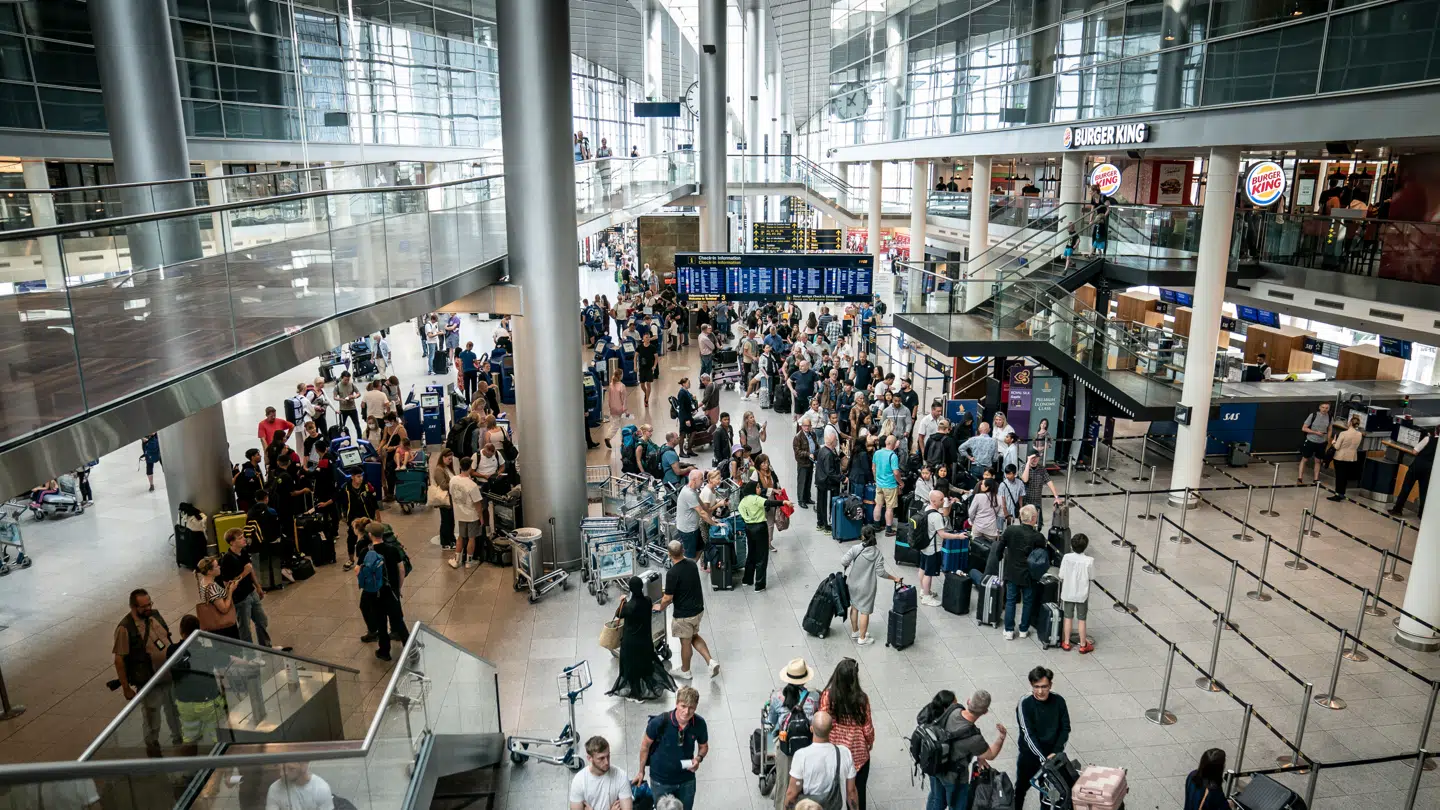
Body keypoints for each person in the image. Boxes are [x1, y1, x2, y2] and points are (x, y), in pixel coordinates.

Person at [113, 588, 183, 751]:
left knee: (174, 711)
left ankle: (179, 741)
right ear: (133, 607)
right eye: (143, 606)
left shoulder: (154, 615)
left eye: (149, 604)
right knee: (152, 718)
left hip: (168, 675)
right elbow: (119, 660)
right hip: (149, 681)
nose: (148, 608)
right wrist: (126, 688)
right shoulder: (125, 628)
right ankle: (152, 747)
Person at [919, 690, 1007, 810]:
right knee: (957, 805)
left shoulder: (953, 709)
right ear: (985, 712)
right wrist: (1001, 737)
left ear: (968, 701)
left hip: (935, 765)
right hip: (954, 778)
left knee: (936, 799)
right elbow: (991, 754)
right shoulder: (975, 738)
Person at [634, 686, 709, 810]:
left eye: (691, 708)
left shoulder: (699, 723)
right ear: (677, 704)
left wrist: (698, 758)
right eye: (683, 706)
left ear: (696, 707)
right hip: (661, 780)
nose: (686, 711)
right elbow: (645, 746)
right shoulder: (659, 722)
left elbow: (704, 746)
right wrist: (641, 771)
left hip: (686, 779)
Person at [654, 541, 719, 679]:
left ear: (669, 554)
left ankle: (685, 671)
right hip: (698, 609)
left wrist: (660, 607)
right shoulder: (692, 564)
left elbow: (668, 598)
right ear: (683, 550)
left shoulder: (672, 573)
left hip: (684, 615)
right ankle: (711, 662)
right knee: (694, 636)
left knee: (685, 642)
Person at [608, 576, 677, 702]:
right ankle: (642, 689)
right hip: (645, 641)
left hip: (630, 642)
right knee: (643, 665)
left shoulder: (628, 606)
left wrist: (622, 601)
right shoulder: (648, 601)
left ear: (630, 589)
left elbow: (618, 614)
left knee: (630, 667)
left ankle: (636, 694)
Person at [983, 504, 1047, 640]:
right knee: (1027, 601)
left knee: (1010, 600)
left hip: (1012, 572)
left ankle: (1009, 630)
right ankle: (1024, 629)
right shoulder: (1038, 537)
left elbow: (1000, 547)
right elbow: (1042, 556)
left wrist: (999, 557)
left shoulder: (1010, 530)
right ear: (1033, 518)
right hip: (1029, 575)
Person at [819, 658, 875, 810]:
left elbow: (822, 721)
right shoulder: (862, 699)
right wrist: (869, 742)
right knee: (858, 791)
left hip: (834, 753)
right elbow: (867, 728)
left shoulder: (827, 696)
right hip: (858, 756)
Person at [1013, 666, 1071, 810]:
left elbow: (1065, 728)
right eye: (1036, 687)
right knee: (1020, 789)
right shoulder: (1025, 703)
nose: (1040, 691)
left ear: (1050, 685)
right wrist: (1043, 758)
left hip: (1052, 757)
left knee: (1048, 796)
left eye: (1044, 686)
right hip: (1030, 757)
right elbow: (1028, 734)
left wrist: (1056, 752)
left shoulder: (1059, 701)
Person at [768, 659, 821, 810]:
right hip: (808, 748)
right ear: (805, 678)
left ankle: (781, 804)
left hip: (786, 748)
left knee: (784, 782)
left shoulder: (776, 697)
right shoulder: (814, 697)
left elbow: (771, 721)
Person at [841, 526, 903, 645]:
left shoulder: (855, 548)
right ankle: (862, 638)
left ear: (862, 536)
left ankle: (855, 631)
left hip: (852, 583)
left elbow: (844, 561)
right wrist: (894, 578)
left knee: (854, 607)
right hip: (867, 587)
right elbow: (881, 573)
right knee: (865, 611)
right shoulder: (877, 553)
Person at [785, 711, 859, 810]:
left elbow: (792, 793)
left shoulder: (801, 755)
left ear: (811, 729)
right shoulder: (845, 753)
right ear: (832, 729)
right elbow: (851, 792)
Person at [358, 520, 409, 661]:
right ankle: (410, 649)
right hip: (391, 591)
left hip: (375, 593)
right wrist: (398, 588)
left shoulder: (365, 552)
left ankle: (384, 651)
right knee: (398, 621)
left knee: (381, 622)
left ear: (370, 535)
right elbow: (401, 570)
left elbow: (358, 571)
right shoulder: (392, 549)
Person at [219, 529, 279, 649]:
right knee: (245, 628)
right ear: (232, 542)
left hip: (251, 592)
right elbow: (228, 584)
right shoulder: (227, 560)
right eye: (240, 538)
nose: (244, 539)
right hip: (240, 598)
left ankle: (266, 646)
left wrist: (258, 586)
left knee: (262, 620)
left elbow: (251, 570)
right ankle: (249, 653)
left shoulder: (244, 552)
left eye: (243, 536)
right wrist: (244, 573)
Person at [919, 490, 968, 607]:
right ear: (934, 501)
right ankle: (926, 597)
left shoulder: (926, 508)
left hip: (924, 545)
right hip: (933, 548)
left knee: (922, 569)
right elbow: (943, 534)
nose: (943, 501)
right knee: (929, 573)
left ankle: (923, 590)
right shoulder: (936, 516)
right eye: (941, 500)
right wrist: (958, 536)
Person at [738, 482, 790, 590]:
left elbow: (741, 513)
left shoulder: (743, 501)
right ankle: (759, 585)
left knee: (751, 554)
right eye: (757, 487)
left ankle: (747, 580)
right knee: (762, 556)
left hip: (749, 528)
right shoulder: (756, 499)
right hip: (760, 528)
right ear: (752, 489)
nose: (759, 489)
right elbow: (769, 502)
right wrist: (783, 502)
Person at [571, 736, 634, 810]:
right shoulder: (579, 781)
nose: (607, 762)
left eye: (608, 756)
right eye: (601, 758)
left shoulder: (621, 776)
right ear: (589, 758)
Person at [1058, 533, 1095, 653]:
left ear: (1071, 545)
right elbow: (1092, 577)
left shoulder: (1066, 557)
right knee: (1082, 619)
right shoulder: (1089, 561)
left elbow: (1061, 575)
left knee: (1068, 617)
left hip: (1068, 592)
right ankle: (1083, 645)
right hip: (1082, 594)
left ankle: (1066, 642)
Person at [675, 469, 720, 562]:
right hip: (688, 531)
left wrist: (712, 518)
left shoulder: (694, 491)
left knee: (700, 547)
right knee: (689, 555)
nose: (703, 481)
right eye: (701, 479)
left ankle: (693, 566)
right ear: (694, 480)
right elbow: (702, 513)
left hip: (694, 528)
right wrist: (714, 524)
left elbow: (703, 506)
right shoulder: (689, 494)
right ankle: (686, 568)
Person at [449, 456, 485, 569]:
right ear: (470, 468)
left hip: (459, 514)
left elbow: (451, 493)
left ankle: (457, 560)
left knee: (460, 537)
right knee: (471, 538)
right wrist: (481, 517)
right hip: (472, 516)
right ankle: (469, 561)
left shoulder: (453, 480)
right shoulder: (472, 485)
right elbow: (477, 503)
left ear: (460, 466)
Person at [340, 470, 380, 570]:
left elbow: (374, 502)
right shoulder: (345, 488)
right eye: (358, 476)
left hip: (367, 517)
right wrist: (344, 516)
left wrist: (378, 517)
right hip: (353, 518)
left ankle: (373, 558)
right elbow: (342, 503)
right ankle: (351, 559)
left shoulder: (367, 486)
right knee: (351, 538)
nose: (361, 478)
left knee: (370, 537)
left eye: (361, 476)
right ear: (352, 477)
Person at [195, 556, 240, 640]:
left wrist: (227, 588)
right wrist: (231, 591)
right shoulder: (212, 588)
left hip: (216, 626)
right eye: (216, 566)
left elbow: (218, 597)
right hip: (223, 628)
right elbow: (224, 609)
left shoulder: (204, 582)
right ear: (209, 571)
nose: (219, 567)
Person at [1392, 427, 1434, 517]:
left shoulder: (1428, 439)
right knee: (1424, 492)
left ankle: (1397, 509)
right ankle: (1421, 514)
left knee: (1406, 487)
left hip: (1417, 466)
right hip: (1429, 469)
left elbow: (1414, 451)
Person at [265, 761, 334, 810]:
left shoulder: (321, 788)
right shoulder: (275, 788)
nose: (282, 773)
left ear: (304, 765)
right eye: (281, 768)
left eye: (291, 769)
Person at [1020, 451, 1062, 531]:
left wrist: (1056, 497)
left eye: (1037, 457)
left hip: (1037, 503)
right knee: (1026, 527)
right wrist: (1028, 463)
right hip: (1026, 503)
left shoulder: (1042, 469)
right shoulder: (1023, 467)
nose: (1035, 459)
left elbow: (1049, 481)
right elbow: (1025, 479)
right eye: (1033, 458)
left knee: (1038, 526)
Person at [1329, 415, 1364, 500]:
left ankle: (1337, 494)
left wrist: (1333, 442)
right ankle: (1342, 493)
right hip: (1351, 457)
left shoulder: (1343, 433)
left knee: (1339, 477)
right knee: (1345, 476)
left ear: (1350, 423)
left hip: (1340, 457)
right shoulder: (1359, 434)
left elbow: (1337, 447)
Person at [872, 435, 902, 535]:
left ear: (885, 442)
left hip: (879, 484)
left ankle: (876, 526)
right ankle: (888, 530)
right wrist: (901, 482)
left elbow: (873, 468)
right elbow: (896, 473)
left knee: (878, 505)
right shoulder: (893, 456)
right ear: (894, 444)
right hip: (890, 485)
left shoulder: (877, 453)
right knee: (889, 508)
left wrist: (876, 479)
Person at [1298, 401, 1333, 486]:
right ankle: (1300, 478)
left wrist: (1328, 440)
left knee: (1318, 460)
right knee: (1305, 459)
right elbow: (1304, 428)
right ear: (1320, 407)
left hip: (1322, 442)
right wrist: (1315, 432)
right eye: (1323, 407)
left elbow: (1330, 429)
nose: (1324, 409)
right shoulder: (1313, 415)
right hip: (1311, 440)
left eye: (1326, 408)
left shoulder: (1329, 417)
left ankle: (1316, 479)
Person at [815, 430, 843, 532]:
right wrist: (842, 478)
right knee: (827, 504)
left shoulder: (822, 450)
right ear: (832, 442)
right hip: (827, 484)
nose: (837, 441)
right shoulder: (829, 454)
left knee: (821, 503)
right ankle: (827, 525)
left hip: (820, 481)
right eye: (836, 440)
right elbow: (830, 472)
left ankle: (820, 523)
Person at [793, 417, 819, 509]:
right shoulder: (798, 437)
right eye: (805, 426)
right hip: (803, 463)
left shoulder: (813, 434)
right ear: (802, 426)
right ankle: (801, 500)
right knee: (802, 482)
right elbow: (797, 452)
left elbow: (816, 445)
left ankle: (807, 498)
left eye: (808, 425)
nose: (807, 427)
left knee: (808, 481)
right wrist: (808, 454)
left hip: (811, 462)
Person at [333, 371, 362, 437]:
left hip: (352, 408)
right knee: (341, 426)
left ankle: (359, 439)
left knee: (357, 426)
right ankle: (341, 439)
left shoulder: (351, 385)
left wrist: (354, 396)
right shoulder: (337, 386)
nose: (347, 381)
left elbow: (358, 393)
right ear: (341, 378)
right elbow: (334, 397)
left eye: (348, 380)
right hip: (343, 409)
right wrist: (341, 399)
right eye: (345, 380)